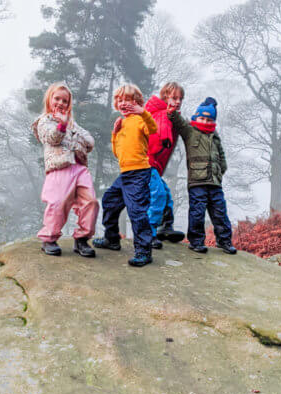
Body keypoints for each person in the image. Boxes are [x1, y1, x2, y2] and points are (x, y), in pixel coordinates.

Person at [93, 84, 158, 268]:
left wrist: (143, 112)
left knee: (136, 211)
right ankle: (112, 239)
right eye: (119, 100)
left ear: (136, 102)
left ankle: (144, 251)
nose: (122, 103)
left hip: (139, 173)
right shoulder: (121, 123)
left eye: (127, 100)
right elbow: (117, 152)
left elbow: (153, 129)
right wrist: (115, 133)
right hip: (125, 174)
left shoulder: (139, 120)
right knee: (109, 201)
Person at [32, 82, 98, 257]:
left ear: (69, 104)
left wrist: (71, 130)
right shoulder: (44, 121)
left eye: (65, 101)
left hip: (79, 168)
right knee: (58, 203)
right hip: (59, 167)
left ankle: (82, 239)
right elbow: (51, 138)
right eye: (57, 99)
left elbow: (89, 141)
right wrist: (61, 126)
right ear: (49, 99)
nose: (61, 103)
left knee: (90, 201)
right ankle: (49, 238)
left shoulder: (73, 124)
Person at [169, 97, 237, 255]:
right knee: (197, 212)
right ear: (196, 117)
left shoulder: (215, 137)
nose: (205, 121)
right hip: (197, 182)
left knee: (220, 212)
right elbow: (178, 122)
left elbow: (222, 158)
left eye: (209, 119)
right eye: (202, 118)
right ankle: (196, 241)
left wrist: (220, 172)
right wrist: (172, 111)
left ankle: (224, 241)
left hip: (214, 183)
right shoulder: (190, 131)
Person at [144, 82, 186, 246]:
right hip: (147, 163)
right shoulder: (163, 113)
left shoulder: (167, 114)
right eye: (174, 97)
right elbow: (161, 130)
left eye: (180, 99)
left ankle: (165, 227)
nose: (178, 101)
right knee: (158, 194)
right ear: (165, 96)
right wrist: (165, 138)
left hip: (154, 164)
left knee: (166, 194)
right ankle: (148, 232)